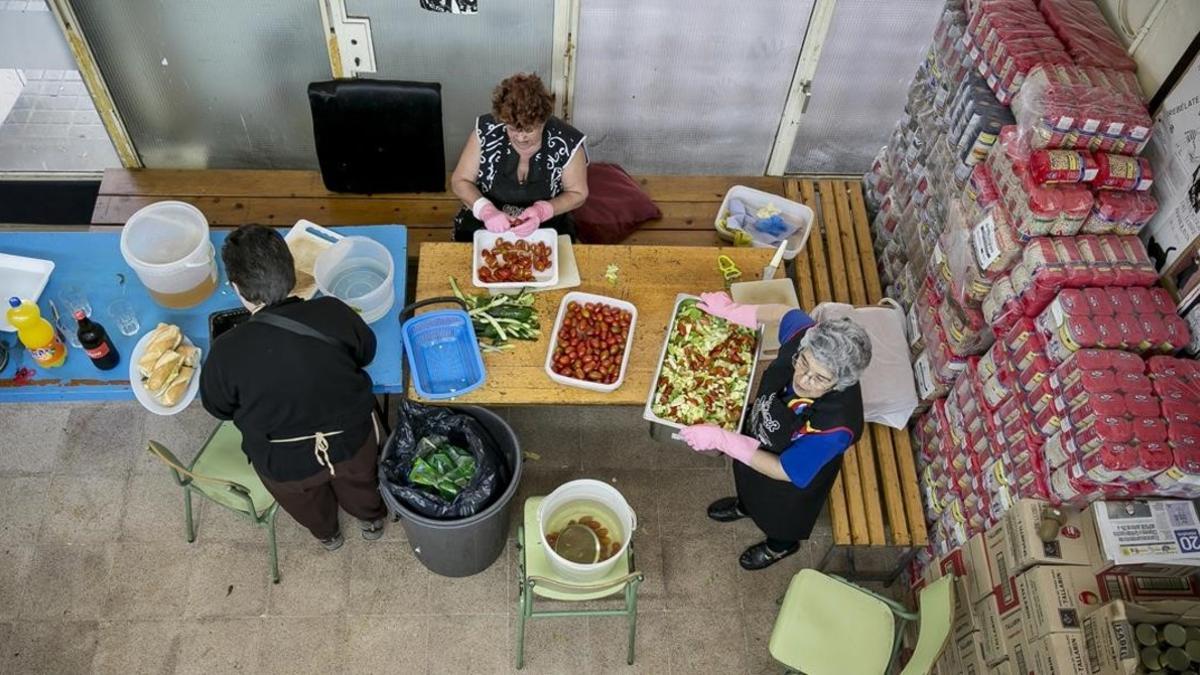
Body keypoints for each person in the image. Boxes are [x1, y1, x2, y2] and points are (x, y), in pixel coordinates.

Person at [200, 225, 387, 551]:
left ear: (237, 288)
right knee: (361, 481)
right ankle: (370, 520)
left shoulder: (225, 352)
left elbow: (219, 408)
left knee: (305, 502)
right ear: (292, 272)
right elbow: (365, 353)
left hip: (282, 460)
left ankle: (328, 535)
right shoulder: (332, 311)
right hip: (351, 441)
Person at [679, 292, 872, 571]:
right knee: (747, 480)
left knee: (780, 517)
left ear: (840, 382)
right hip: (758, 437)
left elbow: (783, 470)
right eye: (804, 363)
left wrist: (723, 439)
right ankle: (745, 506)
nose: (804, 379)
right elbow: (784, 313)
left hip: (788, 483)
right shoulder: (807, 338)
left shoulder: (836, 426)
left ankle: (779, 547)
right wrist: (734, 311)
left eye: (820, 378)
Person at [450, 72, 588, 242]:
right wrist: (486, 210)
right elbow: (460, 181)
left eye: (529, 130)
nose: (521, 137)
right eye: (513, 128)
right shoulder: (486, 132)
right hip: (484, 225)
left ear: (544, 120)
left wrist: (543, 211)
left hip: (547, 228)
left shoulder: (567, 141)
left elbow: (578, 193)